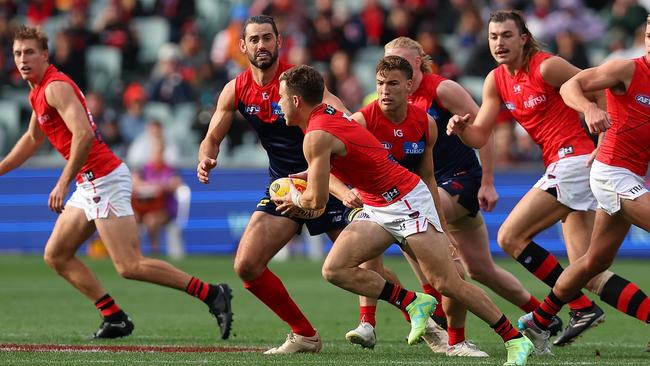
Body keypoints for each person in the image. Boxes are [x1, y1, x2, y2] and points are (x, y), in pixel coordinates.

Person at [274, 63, 534, 366]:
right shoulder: (328, 119)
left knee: (449, 283)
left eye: (280, 97)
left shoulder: (316, 135)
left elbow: (316, 203)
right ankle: (412, 303)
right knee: (335, 269)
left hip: (407, 201)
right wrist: (307, 181)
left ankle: (515, 339)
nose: (278, 104)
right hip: (377, 205)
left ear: (295, 101)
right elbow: (329, 170)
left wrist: (293, 195)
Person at [1, 26, 232, 340]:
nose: (23, 59)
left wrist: (63, 181)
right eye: (17, 53)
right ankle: (114, 317)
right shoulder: (38, 90)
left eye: (30, 52)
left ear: (45, 55)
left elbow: (83, 135)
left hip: (103, 179)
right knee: (56, 254)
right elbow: (31, 139)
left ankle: (212, 293)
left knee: (129, 265)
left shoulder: (55, 87)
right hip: (90, 183)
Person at [447, 10, 650, 350]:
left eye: (506, 35)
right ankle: (575, 309)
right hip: (577, 167)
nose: (499, 43)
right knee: (590, 268)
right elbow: (481, 134)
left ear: (523, 37)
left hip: (576, 162)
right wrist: (461, 130)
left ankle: (568, 310)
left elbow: (598, 92)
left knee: (511, 237)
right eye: (493, 36)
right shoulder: (496, 80)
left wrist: (599, 136)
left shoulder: (546, 66)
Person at [345, 38, 558, 356]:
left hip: (459, 181)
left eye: (401, 64)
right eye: (387, 66)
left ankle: (440, 326)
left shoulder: (441, 90)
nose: (393, 71)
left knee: (428, 250)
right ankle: (542, 318)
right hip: (419, 189)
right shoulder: (383, 107)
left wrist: (487, 181)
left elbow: (482, 129)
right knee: (479, 269)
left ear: (417, 63)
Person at [197, 15, 349, 354]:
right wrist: (206, 157)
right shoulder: (236, 89)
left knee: (364, 268)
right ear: (243, 46)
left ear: (279, 42)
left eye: (268, 38)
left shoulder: (297, 80)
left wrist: (351, 126)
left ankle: (425, 319)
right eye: (255, 40)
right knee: (247, 265)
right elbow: (211, 138)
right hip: (284, 187)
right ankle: (305, 334)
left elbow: (339, 111)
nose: (262, 45)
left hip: (326, 178)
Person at [518, 15, 650, 353]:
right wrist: (590, 109)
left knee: (594, 263)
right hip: (610, 173)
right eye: (648, 35)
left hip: (631, 176)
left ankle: (540, 319)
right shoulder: (628, 69)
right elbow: (569, 86)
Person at [132, 139, 183, 254]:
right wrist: (152, 186)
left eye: (160, 152)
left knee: (151, 220)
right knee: (132, 219)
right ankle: (136, 253)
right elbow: (134, 181)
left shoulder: (169, 169)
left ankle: (155, 251)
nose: (157, 155)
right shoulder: (144, 168)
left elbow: (176, 183)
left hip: (162, 209)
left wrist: (160, 187)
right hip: (142, 207)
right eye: (155, 152)